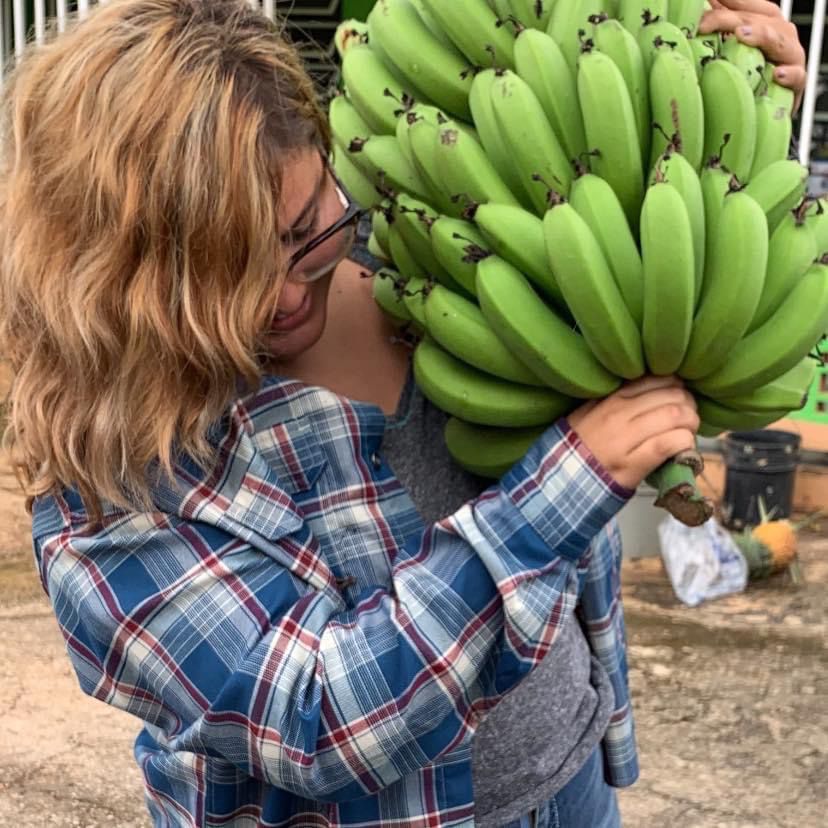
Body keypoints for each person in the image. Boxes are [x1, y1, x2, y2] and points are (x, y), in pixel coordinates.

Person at [0, 1, 806, 826]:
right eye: (225, 275)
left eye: (303, 231)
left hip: (570, 780)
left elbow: (639, 258)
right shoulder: (106, 486)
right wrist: (557, 496)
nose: (284, 295)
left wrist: (735, 100)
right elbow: (318, 720)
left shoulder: (426, 246)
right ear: (118, 280)